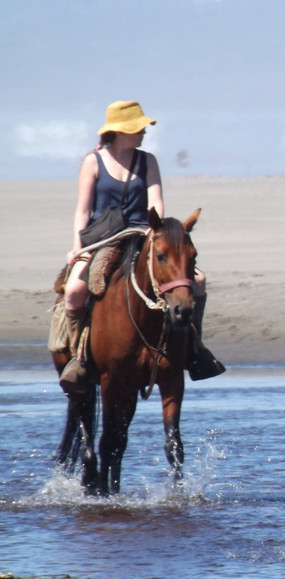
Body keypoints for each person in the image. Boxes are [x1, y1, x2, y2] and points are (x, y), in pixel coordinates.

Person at [58, 100, 224, 393]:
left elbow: (155, 203)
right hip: (101, 239)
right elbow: (82, 211)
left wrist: (155, 233)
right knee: (74, 291)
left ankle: (194, 348)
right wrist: (78, 248)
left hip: (142, 233)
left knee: (197, 280)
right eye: (138, 128)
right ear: (121, 130)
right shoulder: (92, 162)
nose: (143, 132)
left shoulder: (148, 161)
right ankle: (78, 357)